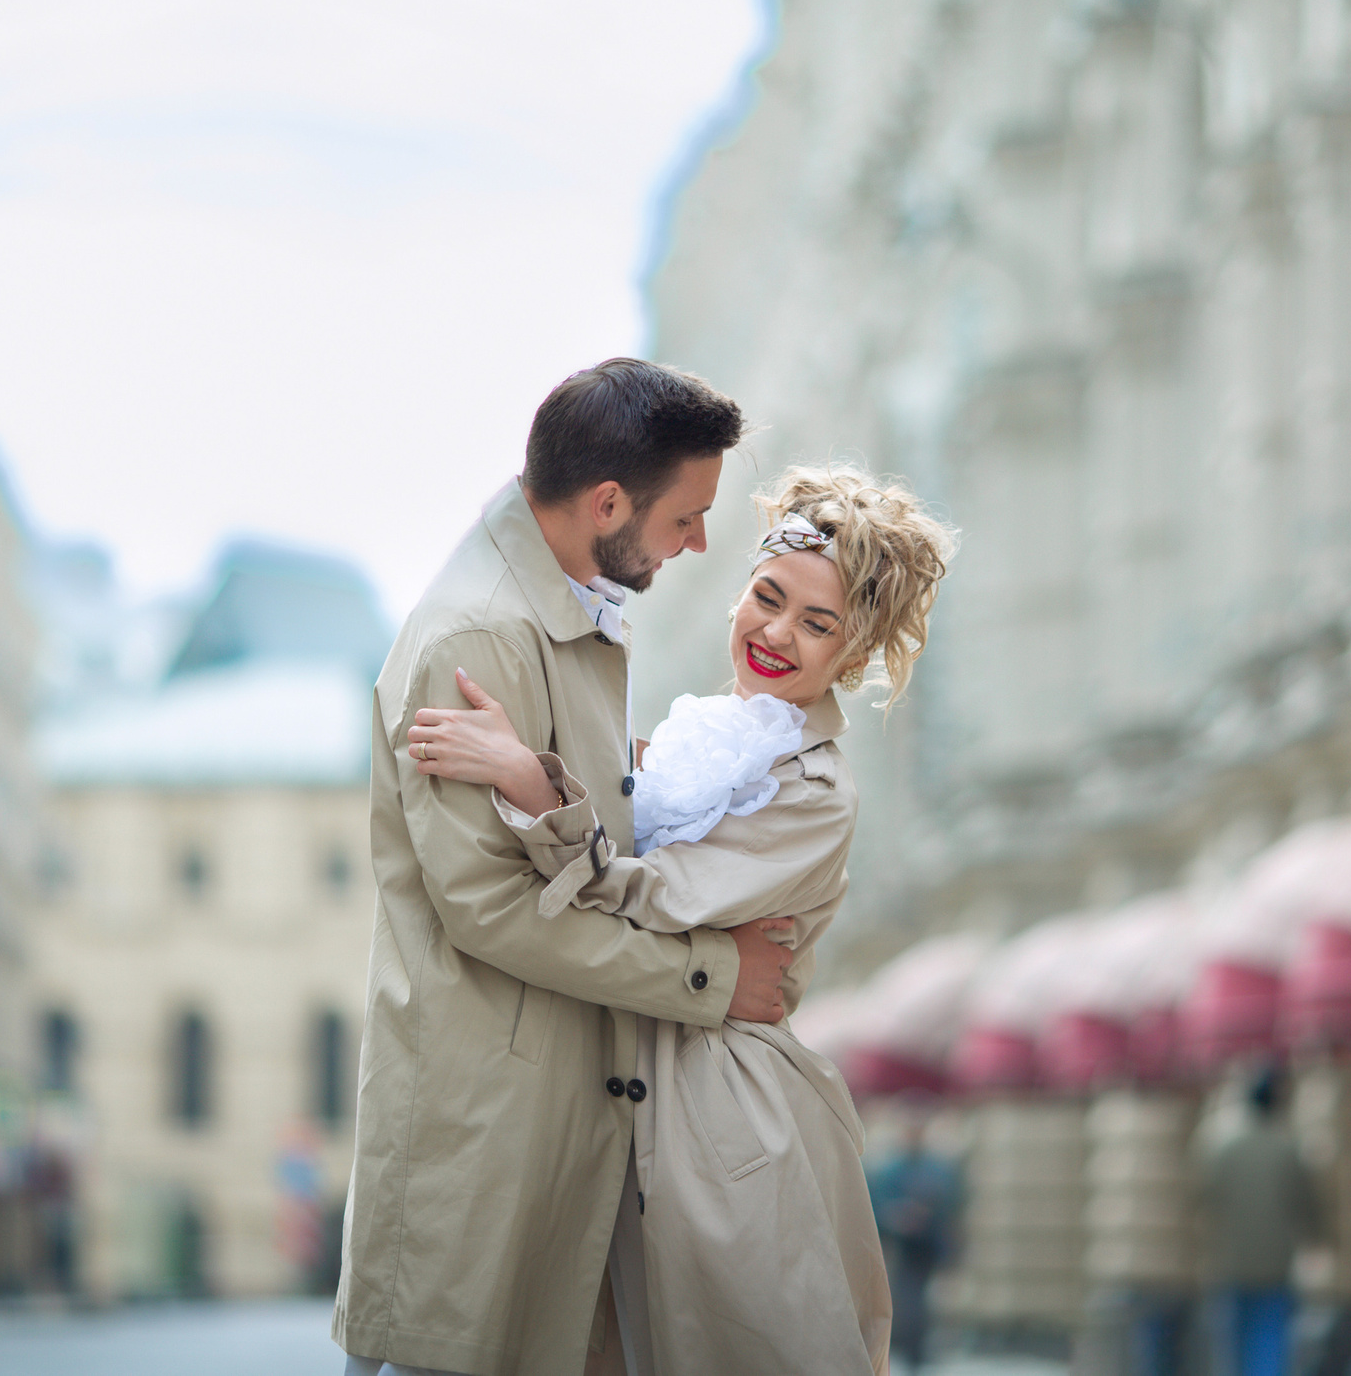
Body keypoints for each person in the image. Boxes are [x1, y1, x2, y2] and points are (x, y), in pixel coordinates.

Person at [413, 465, 957, 1375]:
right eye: (768, 597)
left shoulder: (814, 788)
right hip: (624, 1081)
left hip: (722, 1119)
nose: (777, 632)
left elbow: (654, 896)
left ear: (851, 655)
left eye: (817, 623)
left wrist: (531, 780)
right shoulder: (697, 737)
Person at [331, 359, 800, 1376]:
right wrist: (711, 978)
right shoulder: (479, 636)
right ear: (605, 503)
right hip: (493, 1141)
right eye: (685, 517)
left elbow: (579, 864)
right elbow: (493, 911)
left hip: (558, 1124)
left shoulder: (559, 609)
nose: (698, 543)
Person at [1197, 1067, 1317, 1376]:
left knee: (1233, 1346)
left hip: (1232, 1261)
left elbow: (1203, 1199)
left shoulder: (1221, 1145)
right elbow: (1305, 1204)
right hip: (1275, 1262)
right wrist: (1317, 1240)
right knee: (1271, 1345)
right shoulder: (1288, 1148)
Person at [866, 1104, 963, 1373]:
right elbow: (878, 1206)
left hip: (929, 1244)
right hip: (904, 1245)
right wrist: (897, 1218)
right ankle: (909, 1348)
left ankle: (918, 1349)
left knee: (923, 1298)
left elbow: (950, 1205)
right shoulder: (890, 1169)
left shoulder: (938, 1168)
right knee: (908, 1297)